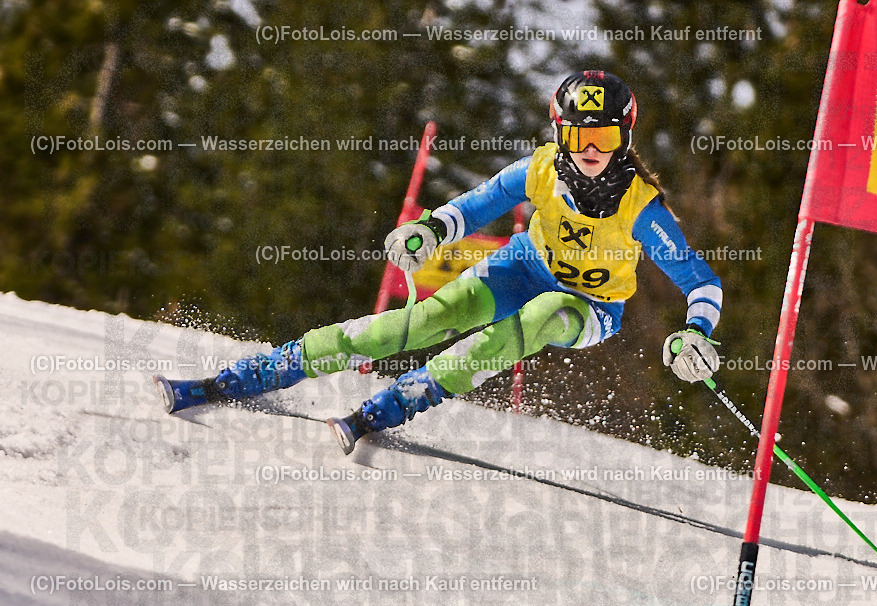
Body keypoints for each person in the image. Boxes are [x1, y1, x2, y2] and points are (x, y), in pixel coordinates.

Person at [155, 70, 723, 453]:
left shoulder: (640, 207)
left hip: (590, 306)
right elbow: (478, 205)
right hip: (523, 267)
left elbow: (700, 281)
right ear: (560, 133)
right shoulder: (540, 169)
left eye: (604, 136)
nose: (591, 149)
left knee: (541, 315)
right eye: (579, 136)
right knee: (427, 320)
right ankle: (261, 371)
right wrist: (428, 230)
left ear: (624, 136)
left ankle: (406, 397)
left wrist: (695, 334)